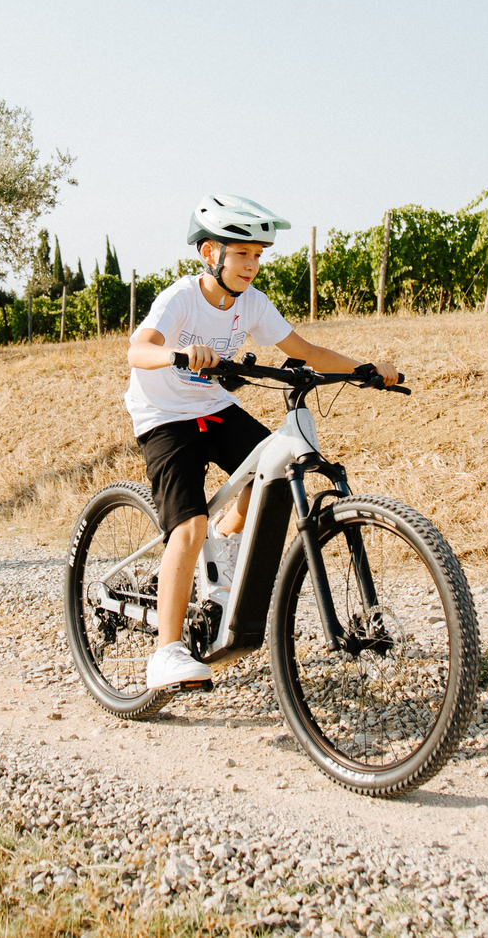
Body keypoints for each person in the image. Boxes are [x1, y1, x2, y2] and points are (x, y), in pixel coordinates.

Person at [124, 194, 400, 691]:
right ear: (211, 253)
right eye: (243, 254)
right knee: (188, 527)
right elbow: (139, 349)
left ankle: (225, 546)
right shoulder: (182, 297)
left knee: (271, 464)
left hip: (213, 407)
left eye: (258, 256)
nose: (253, 265)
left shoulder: (251, 302)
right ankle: (167, 651)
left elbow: (306, 350)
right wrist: (179, 353)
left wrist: (364, 370)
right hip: (164, 416)